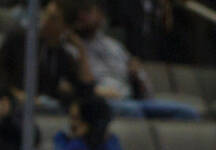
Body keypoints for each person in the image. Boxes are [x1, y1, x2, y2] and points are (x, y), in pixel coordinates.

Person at [67, 0, 201, 119]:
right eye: (79, 13)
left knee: (187, 113)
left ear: (101, 16)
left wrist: (138, 77)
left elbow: (148, 92)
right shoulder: (71, 48)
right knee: (133, 111)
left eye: (88, 12)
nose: (82, 16)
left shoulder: (114, 46)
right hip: (103, 102)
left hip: (131, 99)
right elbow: (76, 86)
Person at [51, 94, 126, 150]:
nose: (72, 123)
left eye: (76, 118)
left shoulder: (109, 141)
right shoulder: (63, 138)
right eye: (71, 117)